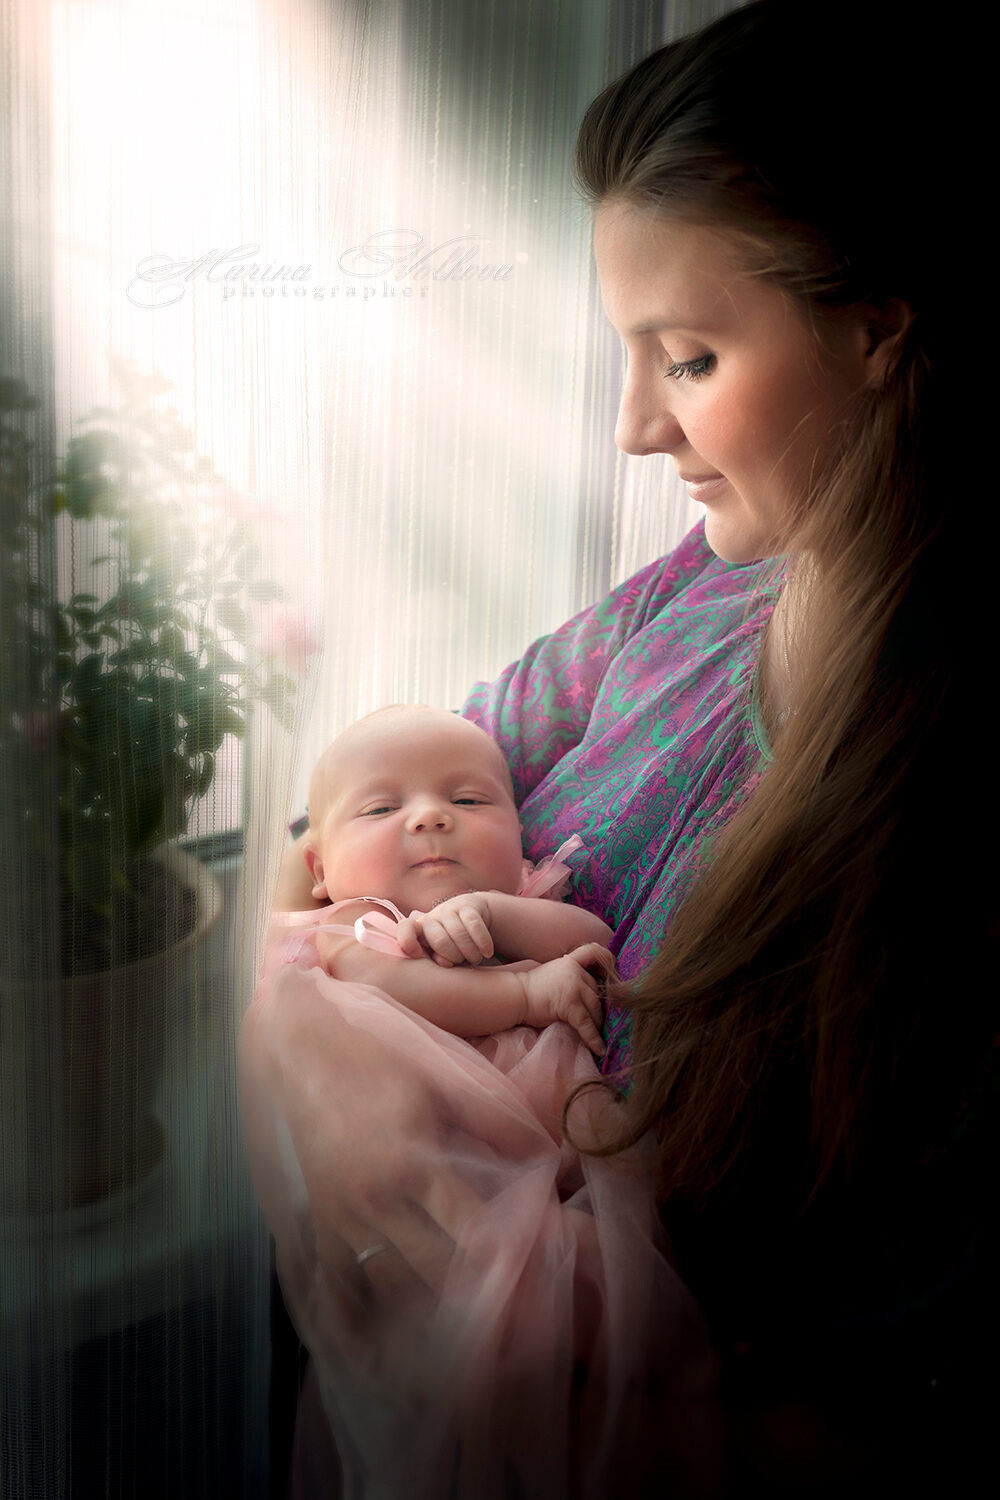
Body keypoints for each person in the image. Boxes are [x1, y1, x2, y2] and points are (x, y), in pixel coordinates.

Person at [244, 2, 990, 1493]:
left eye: (691, 358)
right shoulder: (693, 590)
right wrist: (314, 1042)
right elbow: (363, 809)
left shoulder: (947, 810)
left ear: (880, 331)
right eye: (630, 356)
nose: (636, 429)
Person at [273, 703, 613, 1057]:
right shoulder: (354, 922)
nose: (429, 815)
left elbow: (599, 945)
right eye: (381, 809)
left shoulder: (523, 890)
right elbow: (382, 984)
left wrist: (493, 913)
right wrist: (526, 993)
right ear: (321, 871)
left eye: (468, 800)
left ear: (518, 831)